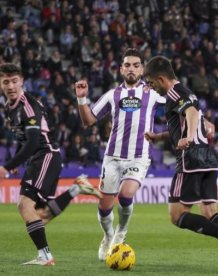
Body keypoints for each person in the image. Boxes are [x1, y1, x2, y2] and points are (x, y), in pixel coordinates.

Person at [143, 56, 218, 274]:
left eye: (152, 83)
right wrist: (159, 136)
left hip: (190, 158)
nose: (153, 88)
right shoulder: (188, 92)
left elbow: (191, 115)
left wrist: (189, 138)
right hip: (207, 158)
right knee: (210, 211)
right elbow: (197, 120)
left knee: (177, 215)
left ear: (162, 79)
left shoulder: (174, 93)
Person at [0, 63, 102, 266]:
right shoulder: (9, 107)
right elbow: (26, 142)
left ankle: (46, 257)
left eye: (14, 81)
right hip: (41, 157)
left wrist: (7, 165)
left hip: (44, 156)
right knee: (40, 215)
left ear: (21, 81)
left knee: (24, 206)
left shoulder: (27, 106)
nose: (10, 86)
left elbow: (32, 142)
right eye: (5, 82)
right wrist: (17, 163)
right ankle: (76, 189)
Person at [74, 48, 166, 261]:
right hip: (113, 158)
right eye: (127, 65)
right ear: (121, 69)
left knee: (126, 195)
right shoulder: (112, 95)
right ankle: (107, 236)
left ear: (142, 69)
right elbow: (88, 121)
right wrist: (81, 99)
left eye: (136, 65)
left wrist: (196, 115)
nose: (131, 69)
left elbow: (178, 104)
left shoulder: (152, 93)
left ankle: (121, 233)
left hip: (139, 156)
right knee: (104, 207)